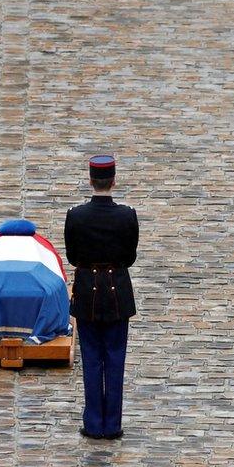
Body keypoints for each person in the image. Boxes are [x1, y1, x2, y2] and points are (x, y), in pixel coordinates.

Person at [64, 155, 139, 440]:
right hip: (117, 290)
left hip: (88, 290)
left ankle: (94, 423)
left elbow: (72, 256)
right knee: (115, 358)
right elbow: (129, 257)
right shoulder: (127, 215)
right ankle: (113, 423)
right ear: (113, 181)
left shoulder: (77, 216)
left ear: (90, 180)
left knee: (92, 357)